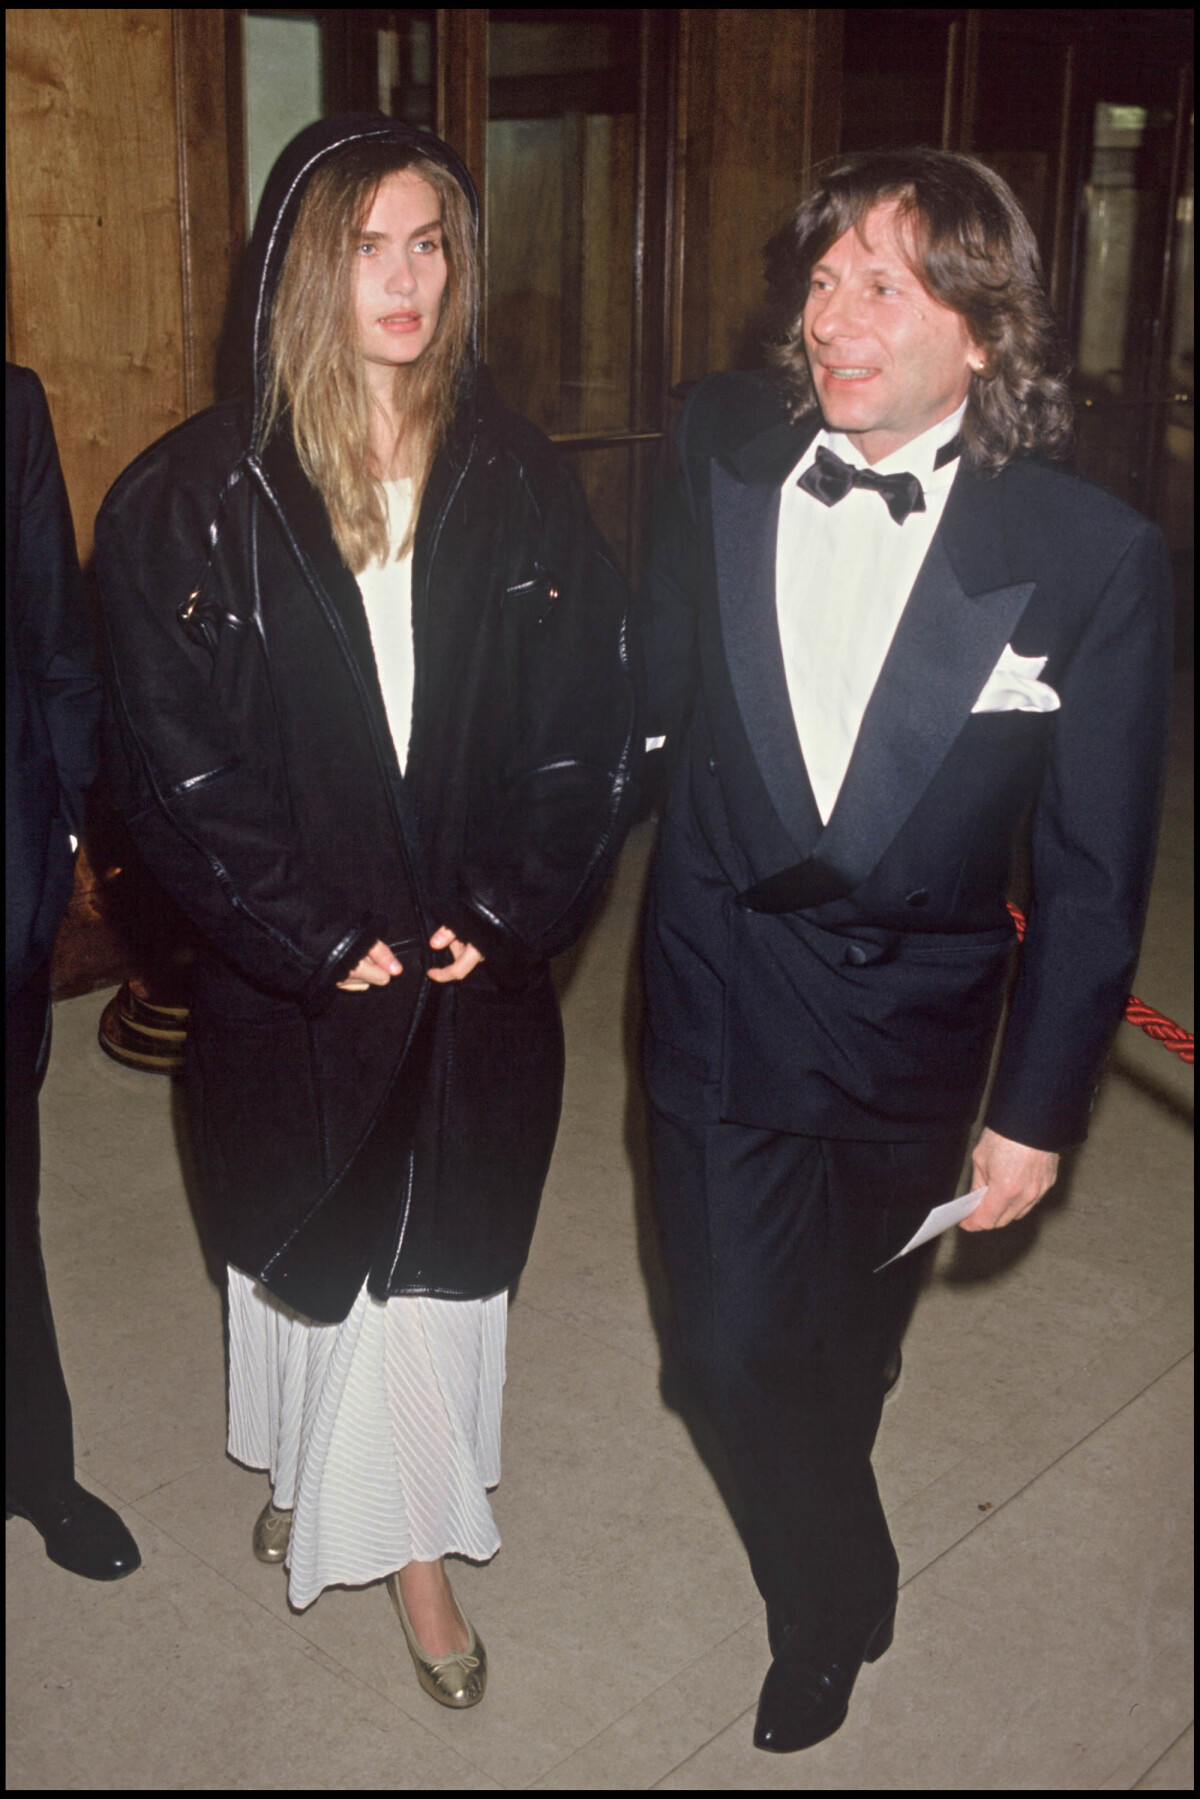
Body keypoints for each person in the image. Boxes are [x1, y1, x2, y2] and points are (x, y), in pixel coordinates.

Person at [94, 116, 638, 1705]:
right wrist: (317, 930)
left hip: (467, 957)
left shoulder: (518, 477)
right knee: (305, 1237)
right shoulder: (187, 498)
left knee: (430, 1265)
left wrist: (512, 899)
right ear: (294, 266)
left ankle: (408, 1547)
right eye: (364, 245)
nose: (403, 280)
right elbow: (172, 767)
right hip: (296, 968)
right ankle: (307, 1467)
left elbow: (584, 717)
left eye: (429, 243)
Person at [640, 149, 1171, 1754]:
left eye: (885, 283)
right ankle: (835, 1588)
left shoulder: (1091, 554)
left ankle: (830, 1504)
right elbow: (641, 691)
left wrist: (1038, 1108)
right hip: (721, 986)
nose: (832, 319)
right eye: (820, 280)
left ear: (988, 329)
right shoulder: (714, 444)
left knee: (847, 1346)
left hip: (914, 1029)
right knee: (722, 1354)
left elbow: (1091, 871)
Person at [6, 363, 141, 1580]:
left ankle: (35, 1468)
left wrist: (56, 856)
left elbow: (57, 646)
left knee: (7, 1202)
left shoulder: (9, 407)